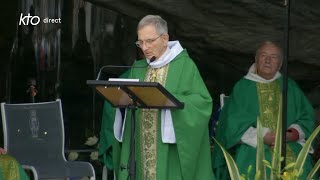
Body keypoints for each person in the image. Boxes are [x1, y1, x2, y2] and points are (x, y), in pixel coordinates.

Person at [112, 15, 214, 180]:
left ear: (165, 38)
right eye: (140, 42)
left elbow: (202, 103)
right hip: (140, 145)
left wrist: (170, 100)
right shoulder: (138, 68)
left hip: (169, 152)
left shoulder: (184, 65)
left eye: (150, 41)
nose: (144, 48)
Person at [212, 41, 314, 179]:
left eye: (274, 57)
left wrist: (292, 133)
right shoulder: (243, 87)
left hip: (287, 142)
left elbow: (306, 116)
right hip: (253, 144)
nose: (268, 60)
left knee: (301, 164)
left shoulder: (289, 86)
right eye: (263, 55)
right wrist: (263, 136)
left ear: (280, 63)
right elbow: (231, 124)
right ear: (256, 59)